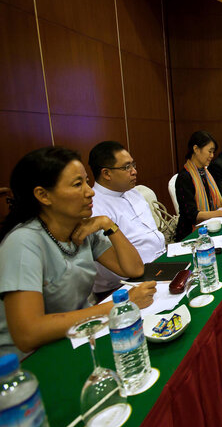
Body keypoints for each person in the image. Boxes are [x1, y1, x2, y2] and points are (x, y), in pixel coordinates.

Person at [0, 147, 155, 357]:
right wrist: (117, 307)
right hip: (31, 361)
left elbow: (134, 269)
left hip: (77, 337)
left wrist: (108, 224)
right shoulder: (23, 242)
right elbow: (28, 333)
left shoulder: (82, 229)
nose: (90, 191)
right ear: (43, 195)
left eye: (86, 181)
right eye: (77, 184)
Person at [89, 141, 166, 296]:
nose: (134, 171)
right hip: (125, 286)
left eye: (133, 165)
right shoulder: (94, 208)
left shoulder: (133, 192)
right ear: (106, 173)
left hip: (162, 264)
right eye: (126, 167)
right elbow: (115, 271)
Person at [175, 131, 222, 241]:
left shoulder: (205, 173)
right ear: (196, 149)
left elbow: (217, 199)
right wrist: (219, 214)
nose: (212, 156)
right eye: (209, 151)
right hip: (190, 235)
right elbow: (192, 215)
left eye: (213, 152)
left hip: (210, 227)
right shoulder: (185, 177)